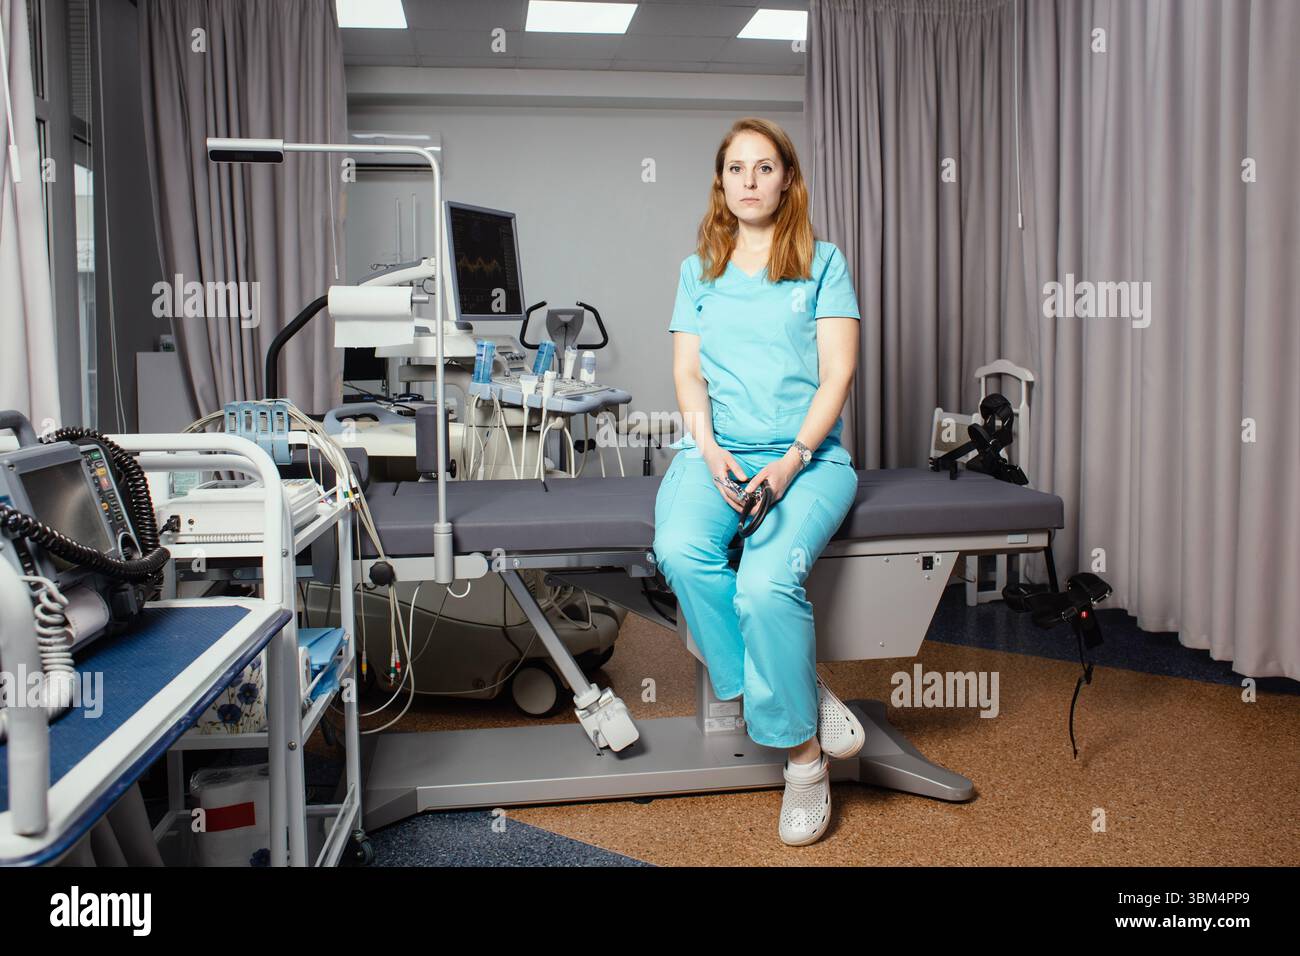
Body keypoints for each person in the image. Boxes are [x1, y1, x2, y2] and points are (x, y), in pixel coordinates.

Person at [652, 117, 864, 846]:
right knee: (680, 552)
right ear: (722, 183)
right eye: (736, 169)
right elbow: (687, 372)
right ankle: (795, 700)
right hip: (716, 454)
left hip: (806, 460)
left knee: (764, 585)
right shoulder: (697, 271)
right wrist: (707, 450)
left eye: (764, 167)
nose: (749, 181)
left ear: (787, 179)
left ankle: (803, 766)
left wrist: (792, 459)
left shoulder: (823, 262)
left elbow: (837, 372)